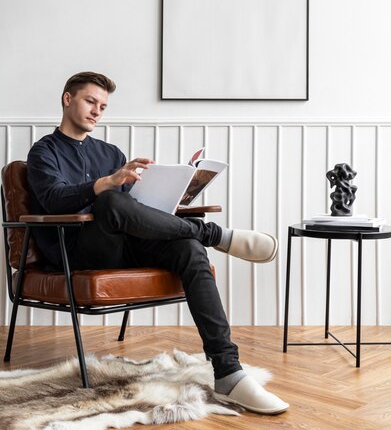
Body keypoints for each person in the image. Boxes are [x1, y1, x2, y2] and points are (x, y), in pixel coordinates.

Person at [27, 71, 289, 415]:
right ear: (67, 99)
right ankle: (213, 234)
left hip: (123, 243)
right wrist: (108, 184)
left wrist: (177, 191)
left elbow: (133, 211)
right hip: (76, 251)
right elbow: (54, 200)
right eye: (90, 101)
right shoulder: (43, 152)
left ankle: (228, 372)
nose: (96, 111)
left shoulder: (109, 152)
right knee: (110, 201)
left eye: (103, 106)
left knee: (188, 249)